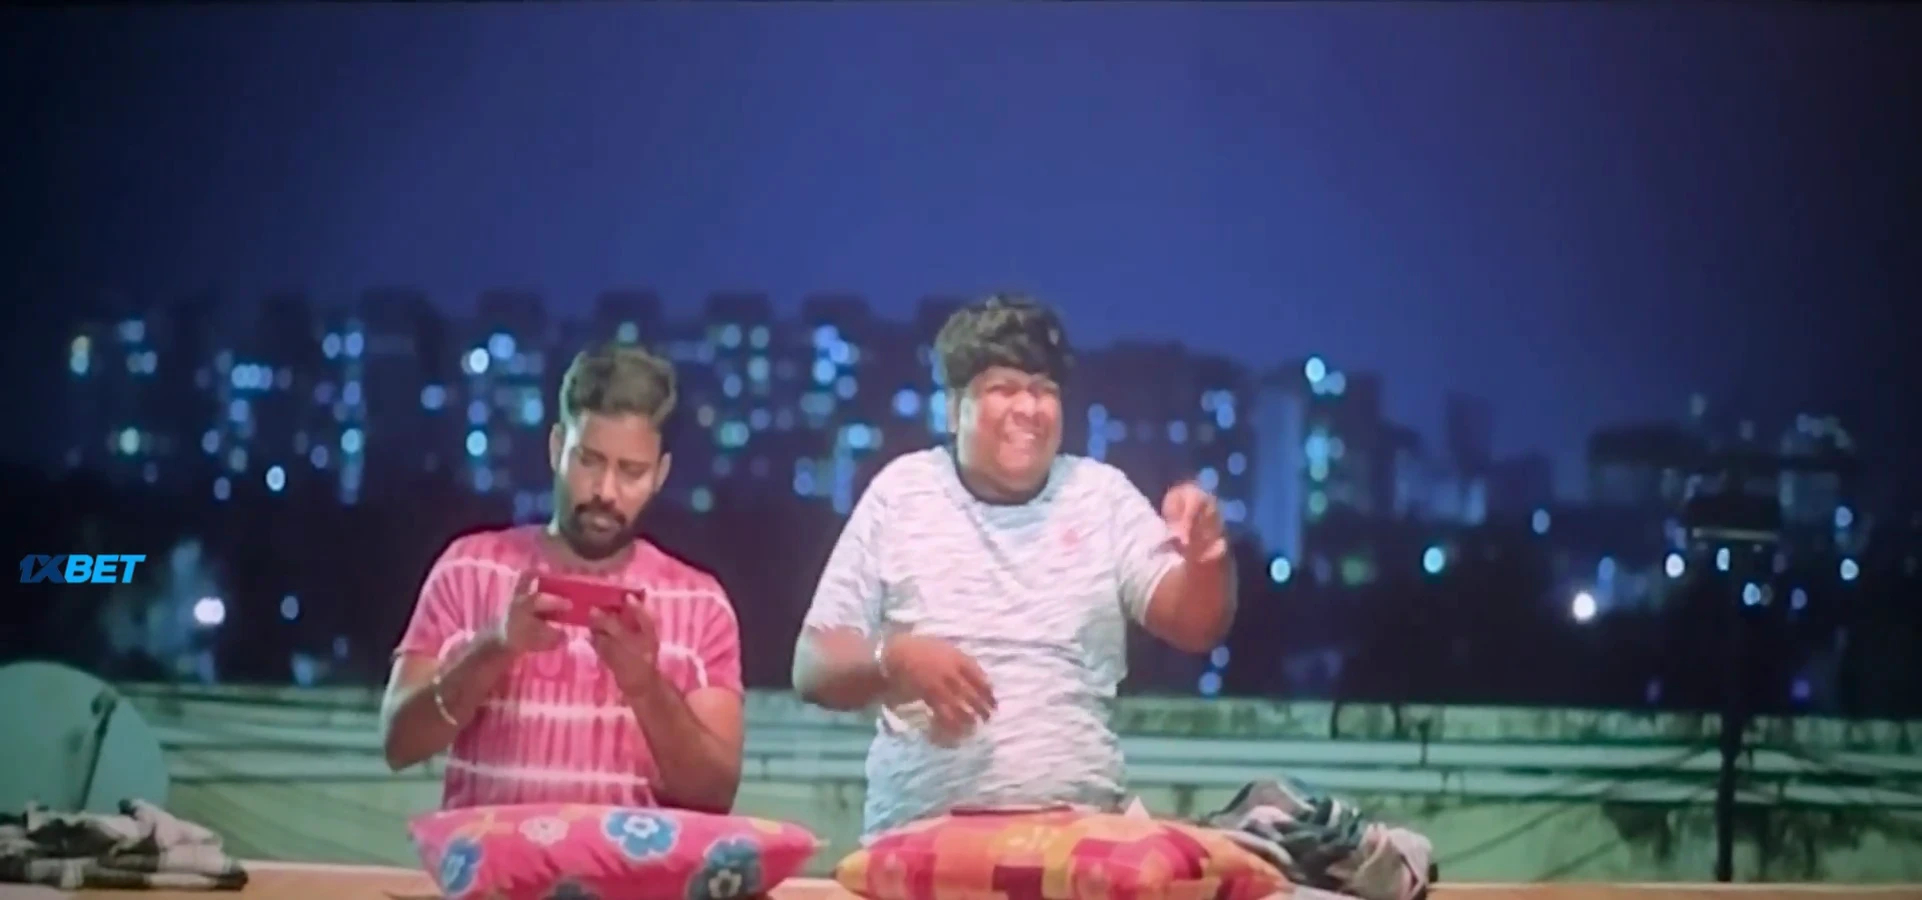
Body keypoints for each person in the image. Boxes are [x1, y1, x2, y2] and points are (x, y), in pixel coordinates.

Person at [791, 294, 1238, 837]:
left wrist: (1206, 557)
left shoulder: (1101, 495)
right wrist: (894, 658)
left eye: (1044, 390)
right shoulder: (901, 493)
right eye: (1003, 388)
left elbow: (1195, 625)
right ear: (954, 409)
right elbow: (813, 665)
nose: (1029, 408)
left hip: (1077, 837)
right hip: (919, 839)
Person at [380, 343, 744, 813]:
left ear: (660, 474)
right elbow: (399, 744)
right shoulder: (466, 569)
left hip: (631, 864)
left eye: (631, 472)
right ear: (557, 449)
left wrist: (645, 686)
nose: (605, 491)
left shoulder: (701, 605)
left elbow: (715, 794)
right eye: (588, 460)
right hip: (491, 861)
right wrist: (496, 647)